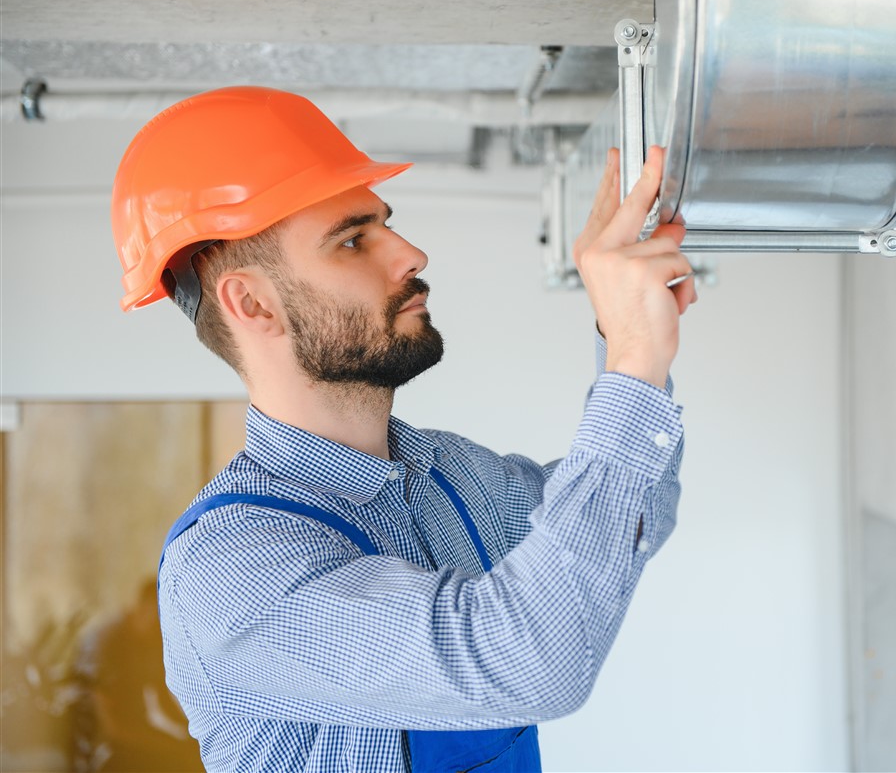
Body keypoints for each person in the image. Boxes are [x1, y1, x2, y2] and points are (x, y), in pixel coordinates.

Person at [112, 86, 696, 772]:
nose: (411, 252)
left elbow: (636, 516)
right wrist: (631, 364)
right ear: (254, 303)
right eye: (354, 239)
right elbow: (527, 660)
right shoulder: (229, 569)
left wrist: (625, 340)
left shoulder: (451, 475)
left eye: (386, 224)